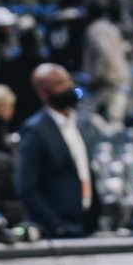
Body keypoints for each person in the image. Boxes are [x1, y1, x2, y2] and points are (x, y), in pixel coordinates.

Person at [16, 63, 99, 238]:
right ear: (43, 93)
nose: (68, 87)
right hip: (57, 230)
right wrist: (56, 226)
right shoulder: (35, 130)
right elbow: (26, 187)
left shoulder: (81, 124)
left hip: (85, 223)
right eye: (59, 84)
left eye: (68, 81)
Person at [82, 0, 131, 130]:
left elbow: (102, 53)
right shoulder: (111, 27)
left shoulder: (95, 29)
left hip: (105, 80)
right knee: (114, 120)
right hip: (120, 77)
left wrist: (95, 76)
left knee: (87, 116)